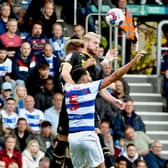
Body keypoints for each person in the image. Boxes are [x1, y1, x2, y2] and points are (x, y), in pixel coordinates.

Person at [64, 49, 145, 168]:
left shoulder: (67, 89)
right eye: (87, 74)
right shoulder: (89, 87)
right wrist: (133, 62)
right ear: (83, 78)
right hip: (88, 135)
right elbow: (115, 76)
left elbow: (67, 74)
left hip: (73, 138)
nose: (90, 76)